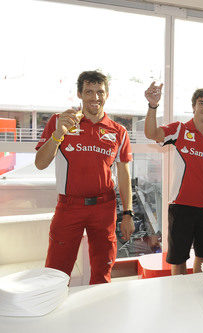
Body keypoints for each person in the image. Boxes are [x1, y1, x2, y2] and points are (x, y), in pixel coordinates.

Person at [35, 71, 134, 284]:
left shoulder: (119, 131)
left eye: (100, 92)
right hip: (69, 208)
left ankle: (99, 314)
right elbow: (40, 163)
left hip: (105, 209)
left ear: (107, 94)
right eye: (89, 92)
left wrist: (128, 214)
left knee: (102, 273)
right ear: (79, 94)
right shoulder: (59, 121)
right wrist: (58, 134)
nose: (95, 98)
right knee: (56, 273)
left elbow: (124, 176)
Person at [144, 83, 203, 275]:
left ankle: (199, 297)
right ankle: (178, 296)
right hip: (181, 204)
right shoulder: (180, 130)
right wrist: (152, 106)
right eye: (202, 103)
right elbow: (151, 133)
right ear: (194, 107)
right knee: (179, 258)